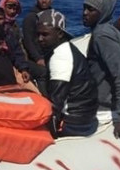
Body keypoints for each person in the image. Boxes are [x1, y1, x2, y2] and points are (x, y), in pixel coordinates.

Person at [35, 9, 99, 137]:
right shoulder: (68, 48)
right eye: (38, 34)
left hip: (75, 124)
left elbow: (55, 104)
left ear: (59, 33)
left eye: (45, 34)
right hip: (87, 118)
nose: (40, 39)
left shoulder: (60, 57)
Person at [82, 0, 120, 146]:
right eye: (84, 8)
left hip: (104, 110)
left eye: (91, 9)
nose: (85, 13)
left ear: (102, 12)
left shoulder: (102, 36)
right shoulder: (111, 31)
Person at [0, 5, 29, 79]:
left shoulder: (9, 34)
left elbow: (18, 52)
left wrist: (23, 69)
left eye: (1, 19)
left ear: (4, 19)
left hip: (11, 67)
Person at [21, 0, 53, 69]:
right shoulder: (30, 18)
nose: (44, 1)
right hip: (37, 57)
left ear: (51, 0)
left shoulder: (54, 16)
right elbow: (28, 41)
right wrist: (38, 58)